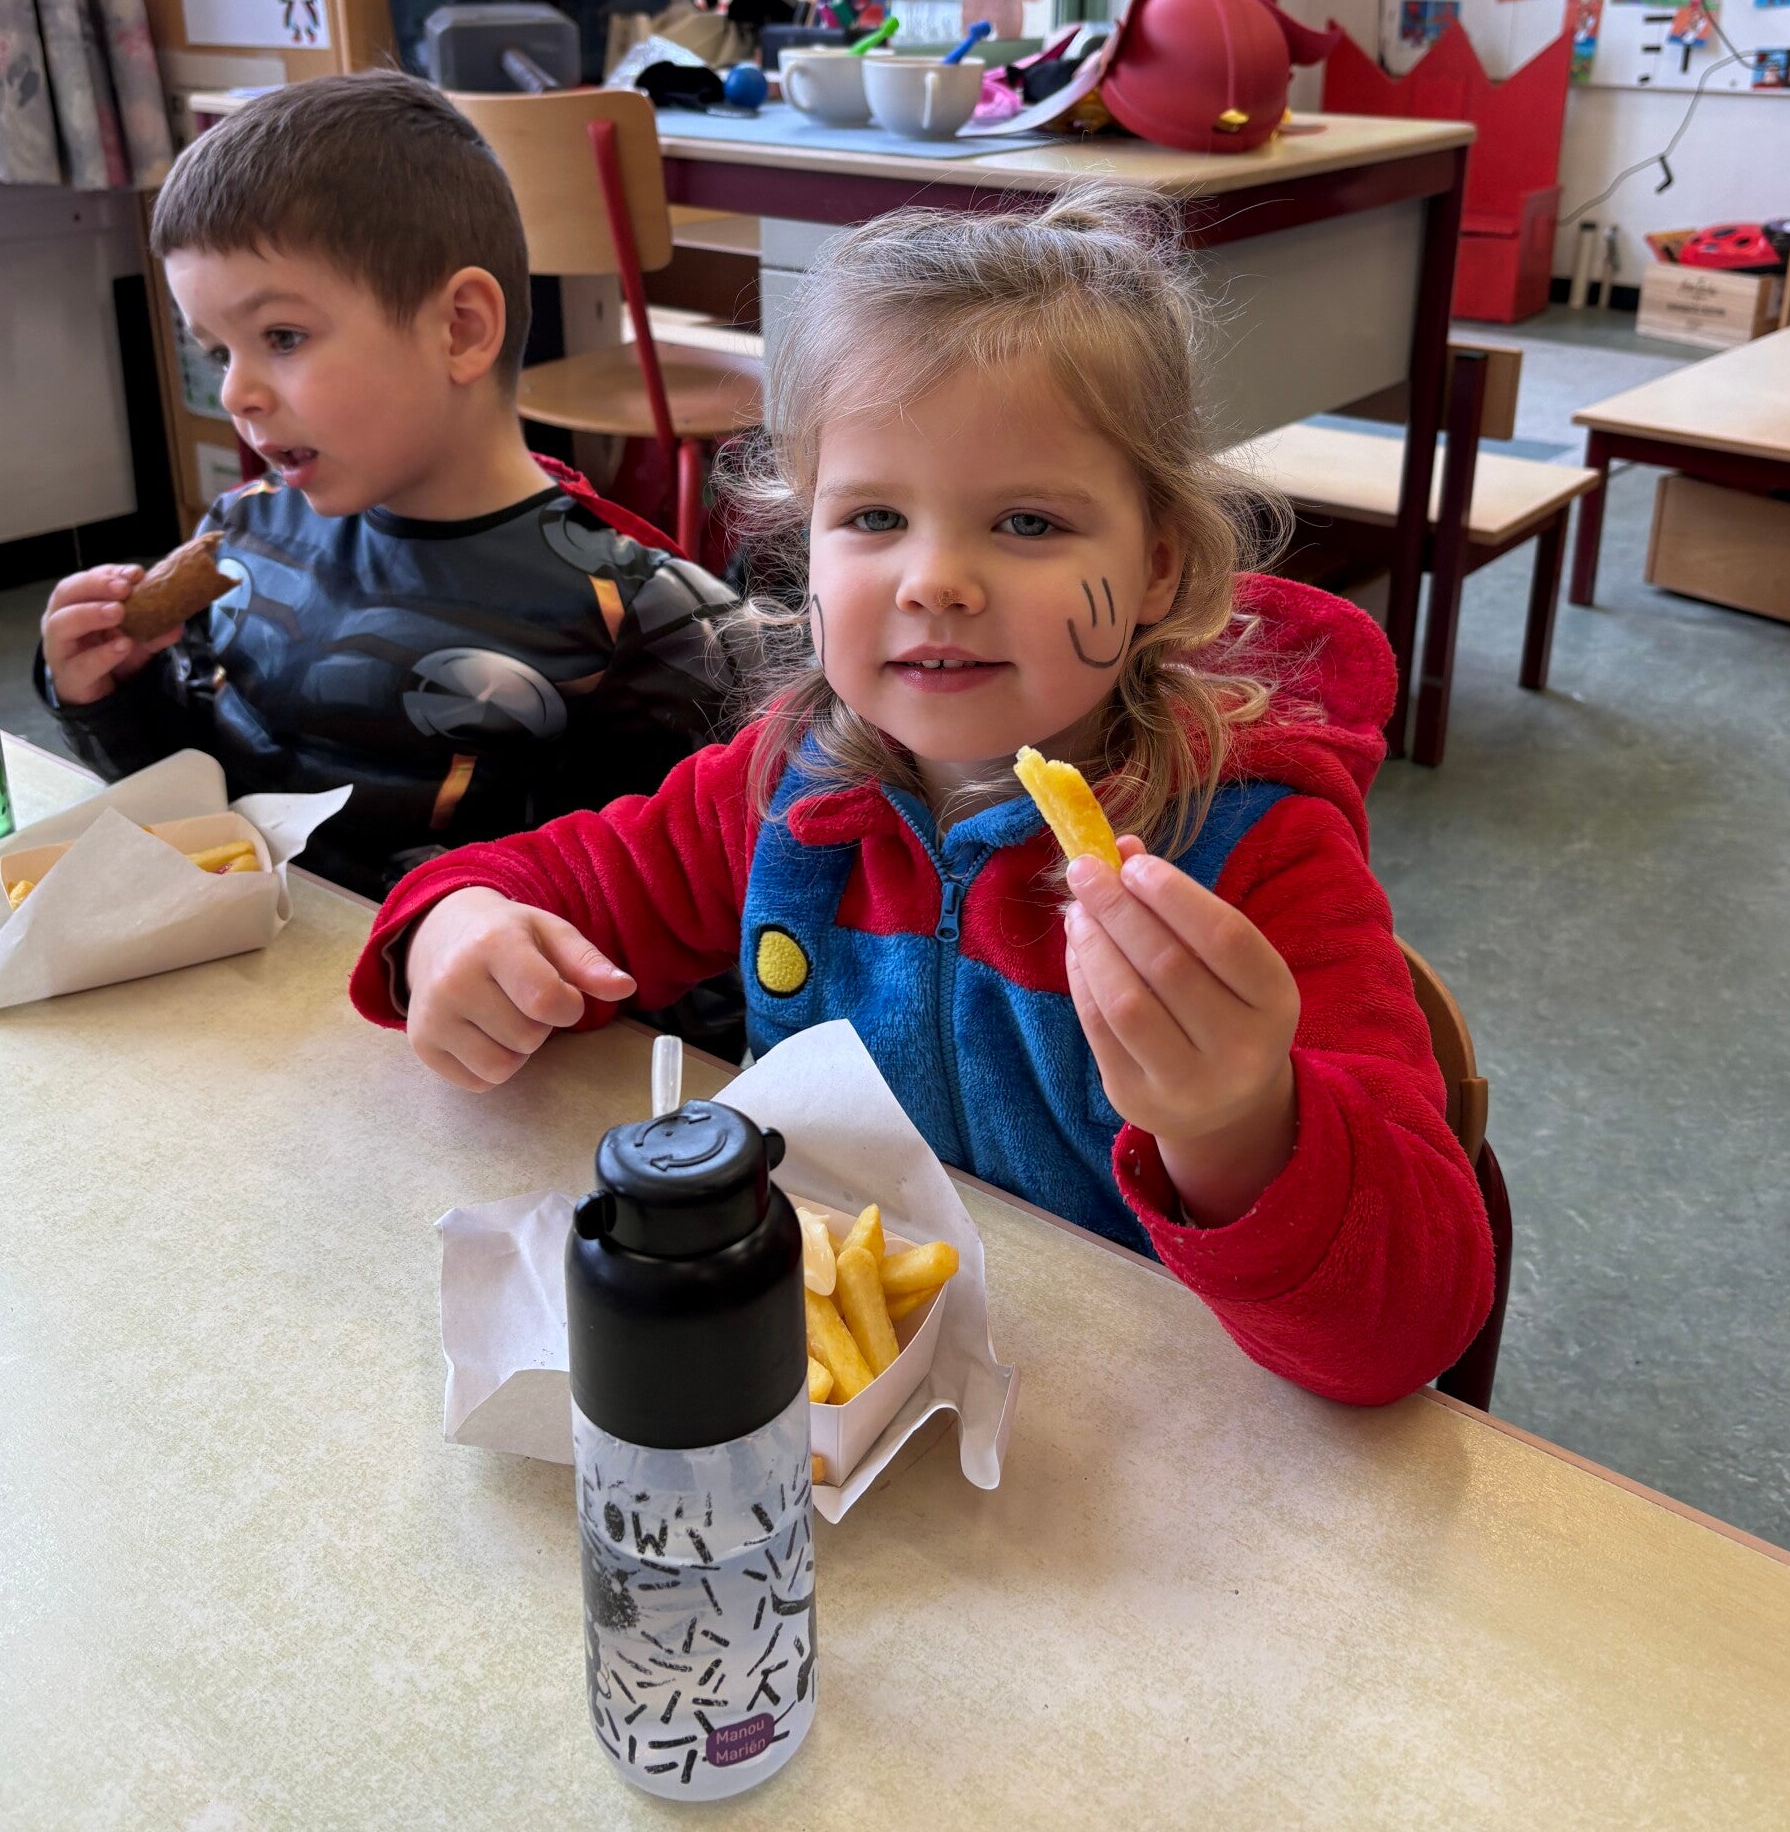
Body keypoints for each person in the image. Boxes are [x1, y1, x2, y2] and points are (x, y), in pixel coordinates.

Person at [351, 191, 1494, 1406]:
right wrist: (460, 926)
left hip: (1127, 1439)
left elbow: (1409, 1323)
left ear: (1158, 565)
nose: (936, 579)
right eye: (875, 517)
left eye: (1028, 521)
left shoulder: (1254, 850)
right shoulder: (788, 789)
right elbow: (550, 880)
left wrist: (1238, 1125)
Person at [37, 75, 741, 913]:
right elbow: (194, 796)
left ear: (460, 328)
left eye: (282, 336)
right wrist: (110, 694)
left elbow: (711, 906)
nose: (235, 394)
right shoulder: (244, 537)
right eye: (219, 352)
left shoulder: (644, 625)